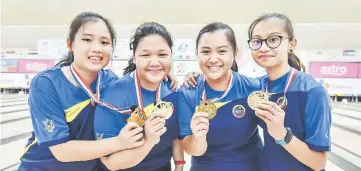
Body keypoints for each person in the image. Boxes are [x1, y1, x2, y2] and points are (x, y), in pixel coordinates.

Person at [19, 13, 178, 171]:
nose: (96, 48)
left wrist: (160, 73)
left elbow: (135, 84)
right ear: (70, 44)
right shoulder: (47, 83)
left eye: (104, 42)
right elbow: (60, 151)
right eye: (87, 40)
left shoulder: (110, 80)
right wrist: (118, 143)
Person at [184, 13, 332, 171]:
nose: (264, 47)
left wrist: (282, 135)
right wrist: (194, 76)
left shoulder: (312, 91)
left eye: (273, 39)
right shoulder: (258, 87)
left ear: (292, 44)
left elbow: (319, 163)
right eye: (257, 41)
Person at [94, 22, 184, 171]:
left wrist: (179, 166)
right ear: (134, 58)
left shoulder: (172, 89)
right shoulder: (113, 96)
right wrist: (148, 140)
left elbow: (175, 135)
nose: (155, 62)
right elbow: (110, 162)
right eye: (145, 55)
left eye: (162, 55)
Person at [178, 22, 263, 171]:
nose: (213, 59)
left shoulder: (253, 88)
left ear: (235, 53)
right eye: (205, 52)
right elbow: (191, 149)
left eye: (222, 51)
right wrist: (198, 137)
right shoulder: (187, 93)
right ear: (196, 54)